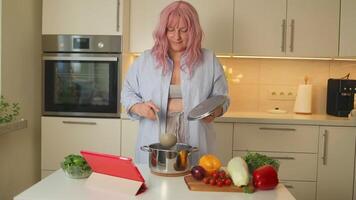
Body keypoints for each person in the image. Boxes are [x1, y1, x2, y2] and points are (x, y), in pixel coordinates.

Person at [121, 1, 229, 164]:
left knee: (194, 182)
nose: (176, 36)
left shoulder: (208, 60)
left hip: (195, 141)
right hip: (154, 142)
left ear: (193, 31)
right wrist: (140, 108)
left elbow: (222, 97)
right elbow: (127, 92)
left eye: (183, 30)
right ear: (162, 31)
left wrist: (216, 111)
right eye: (170, 30)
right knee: (154, 184)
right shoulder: (145, 60)